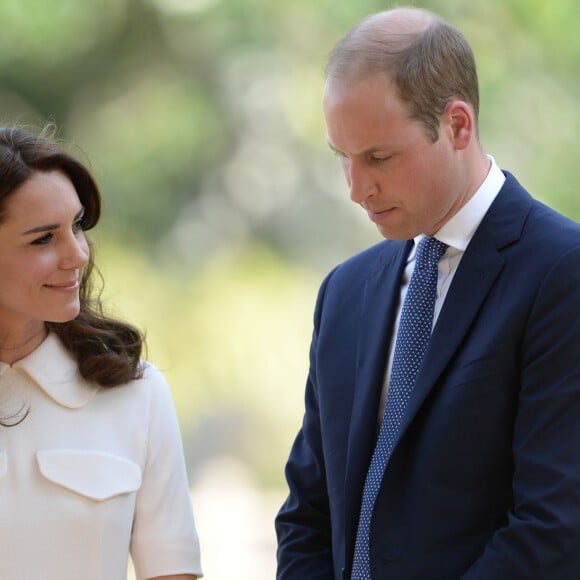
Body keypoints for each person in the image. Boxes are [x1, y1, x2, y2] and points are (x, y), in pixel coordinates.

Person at [275, 7, 580, 580]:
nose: (356, 189)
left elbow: (554, 527)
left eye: (379, 158)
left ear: (457, 125)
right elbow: (308, 516)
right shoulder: (344, 293)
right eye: (343, 157)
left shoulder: (563, 273)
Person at [0, 125, 203, 580]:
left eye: (76, 226)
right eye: (42, 239)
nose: (78, 255)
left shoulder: (136, 393)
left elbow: (171, 572)